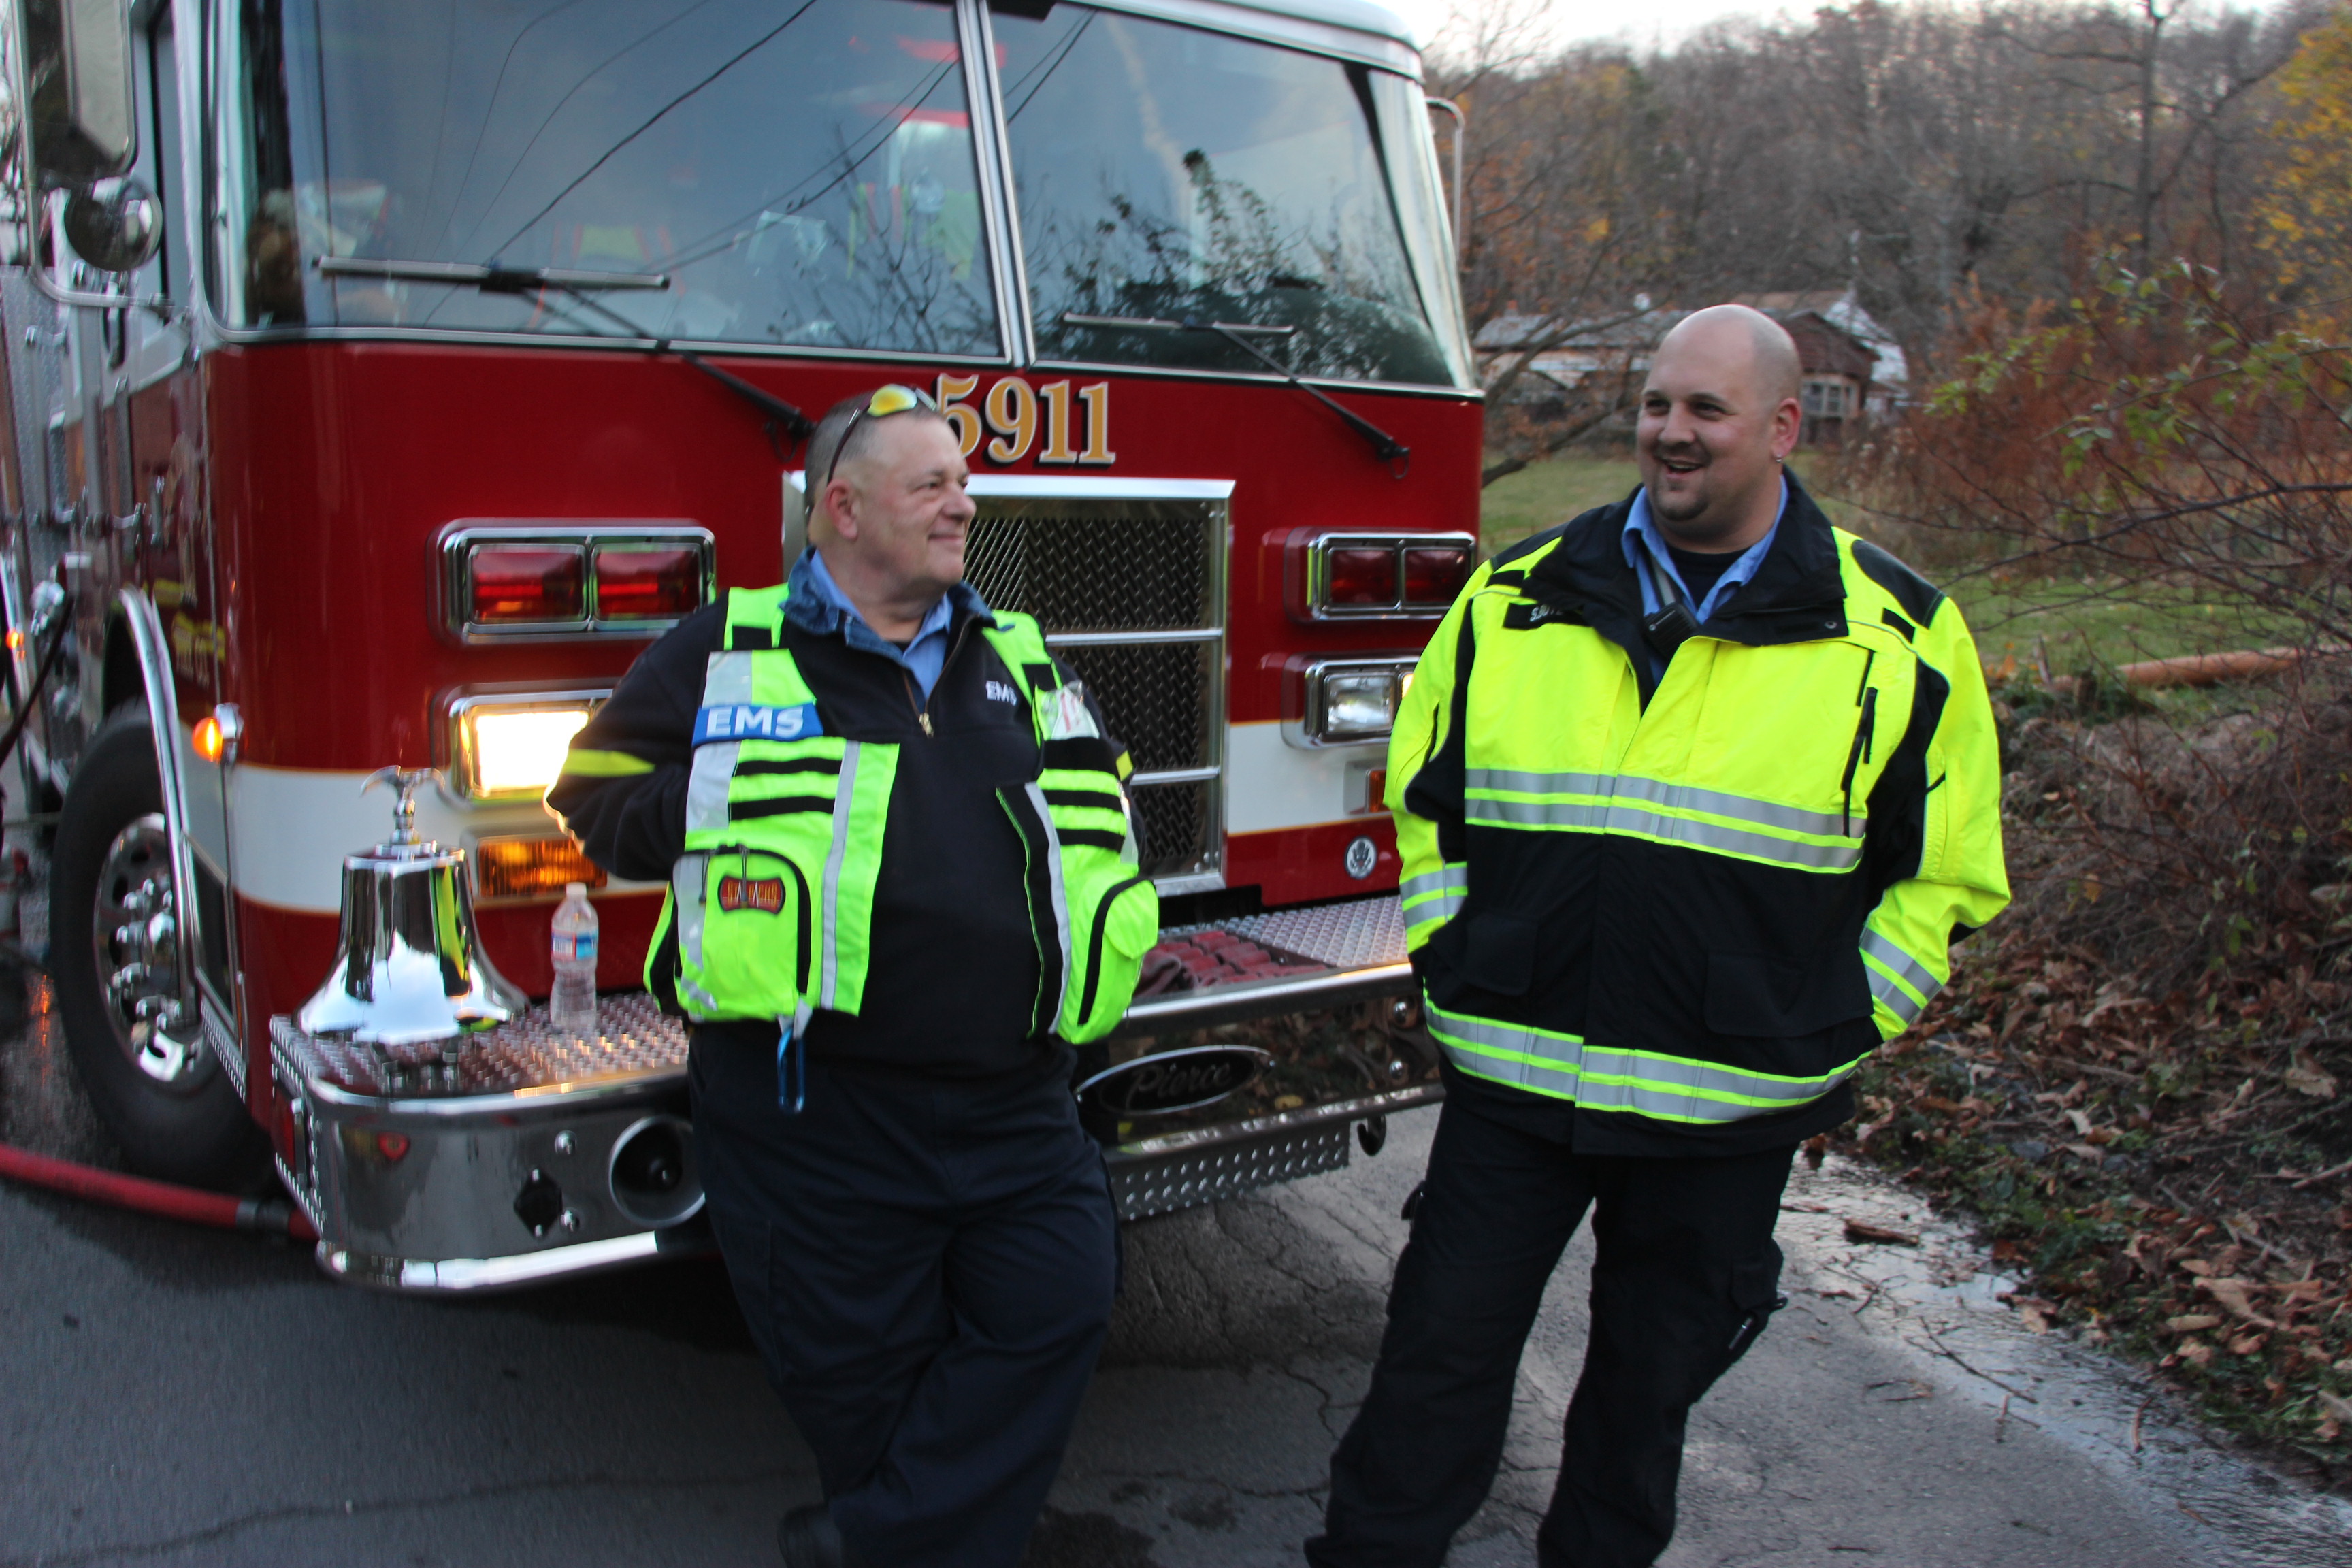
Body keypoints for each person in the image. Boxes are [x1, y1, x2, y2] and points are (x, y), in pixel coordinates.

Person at [1307, 306, 2010, 1568]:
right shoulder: (1516, 597)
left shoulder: (1897, 636)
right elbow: (1425, 800)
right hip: (1516, 1077)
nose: (1670, 433)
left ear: (1783, 428)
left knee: (1641, 1416)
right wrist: (1458, 959)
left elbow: (1945, 874)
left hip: (1728, 1103)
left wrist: (1839, 1023)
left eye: (1705, 411)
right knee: (1428, 1378)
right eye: (1655, 404)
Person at [548, 385, 1158, 1568]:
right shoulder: (733, 647)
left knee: (1065, 1298)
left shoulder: (1016, 654)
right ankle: (900, 1533)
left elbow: (1096, 802)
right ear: (842, 509)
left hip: (1017, 1104)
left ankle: (867, 1544)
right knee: (868, 1402)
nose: (962, 506)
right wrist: (720, 801)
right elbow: (591, 791)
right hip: (816, 1116)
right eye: (931, 485)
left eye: (963, 485)